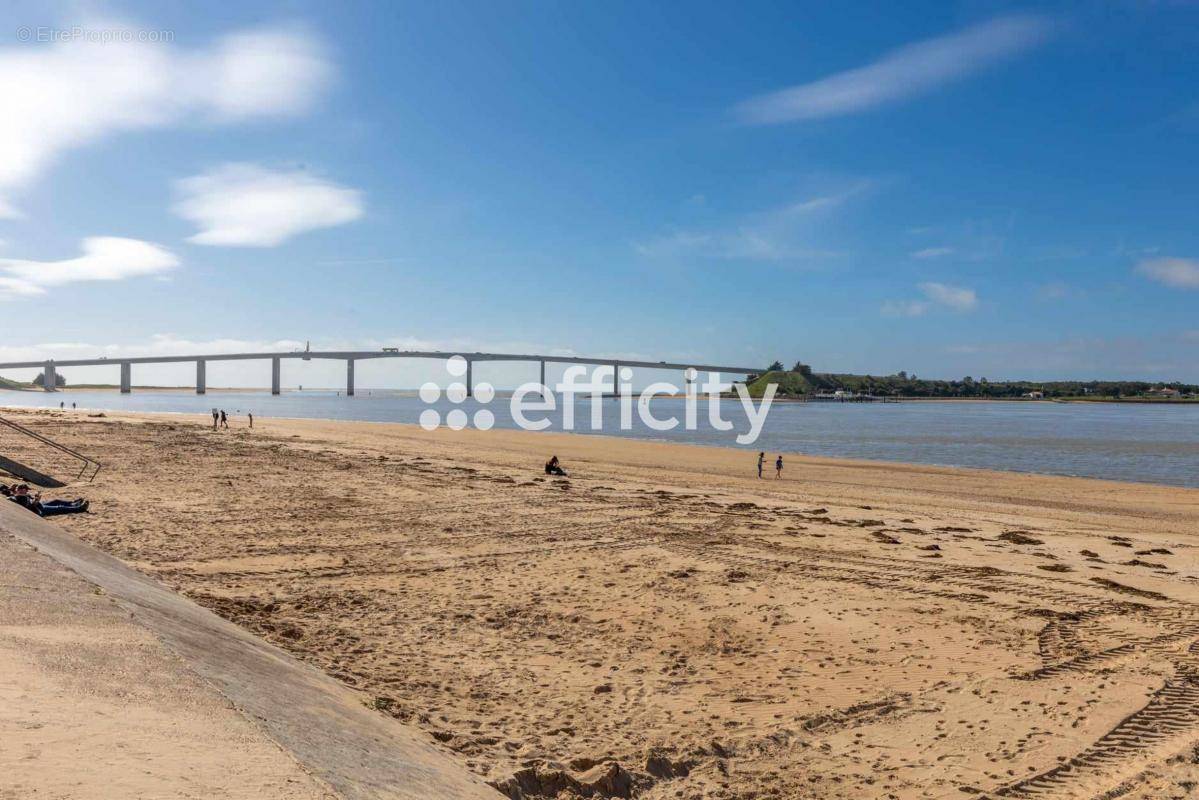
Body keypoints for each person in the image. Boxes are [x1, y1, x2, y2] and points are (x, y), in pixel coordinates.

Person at [6, 484, 89, 517]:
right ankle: (80, 508)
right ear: (21, 489)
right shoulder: (19, 497)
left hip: (40, 505)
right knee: (59, 507)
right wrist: (37, 500)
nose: (27, 491)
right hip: (40, 509)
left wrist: (36, 499)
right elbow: (31, 506)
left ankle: (73, 503)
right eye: (26, 490)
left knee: (56, 501)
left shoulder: (23, 495)